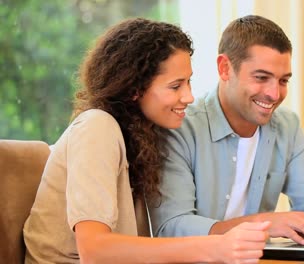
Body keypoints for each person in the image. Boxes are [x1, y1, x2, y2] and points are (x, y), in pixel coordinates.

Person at [23, 18, 271, 264]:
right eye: (175, 86)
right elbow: (95, 251)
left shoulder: (139, 140)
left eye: (188, 82)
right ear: (134, 88)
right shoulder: (96, 127)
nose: (189, 96)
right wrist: (214, 247)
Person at [151, 15, 304, 246]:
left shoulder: (287, 127)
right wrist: (263, 223)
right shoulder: (179, 128)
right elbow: (172, 227)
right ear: (224, 68)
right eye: (261, 78)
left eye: (283, 81)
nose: (274, 94)